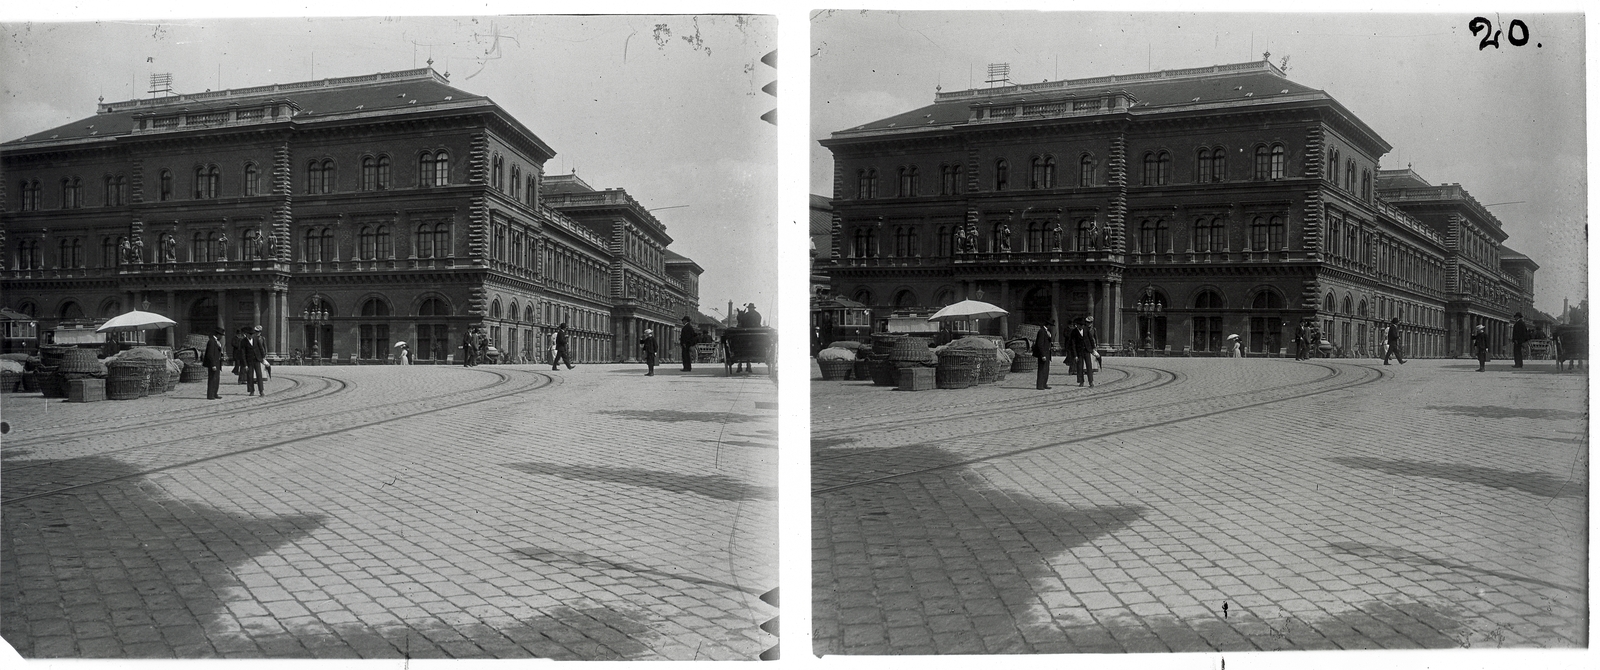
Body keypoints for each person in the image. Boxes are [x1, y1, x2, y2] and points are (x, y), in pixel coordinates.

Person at [1066, 317, 1097, 387]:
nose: (1082, 326)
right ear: (1078, 325)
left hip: (1087, 350)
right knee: (1079, 367)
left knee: (1089, 366)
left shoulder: (1086, 329)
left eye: (1083, 325)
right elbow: (1073, 344)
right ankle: (1081, 381)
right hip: (1079, 352)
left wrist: (1093, 348)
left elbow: (1090, 339)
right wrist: (1075, 355)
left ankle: (1091, 381)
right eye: (1081, 325)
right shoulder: (1074, 332)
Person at [242, 325, 267, 396]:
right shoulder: (243, 341)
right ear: (247, 334)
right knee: (250, 376)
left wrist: (263, 357)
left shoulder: (256, 339)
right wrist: (245, 364)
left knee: (259, 375)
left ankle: (261, 391)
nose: (251, 336)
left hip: (257, 359)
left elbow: (261, 348)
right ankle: (251, 390)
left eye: (252, 334)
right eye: (250, 334)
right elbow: (243, 353)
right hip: (249, 361)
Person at [1032, 319, 1054, 390]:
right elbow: (1040, 344)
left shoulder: (1047, 332)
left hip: (1047, 353)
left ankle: (1044, 383)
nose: (1051, 327)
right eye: (1051, 325)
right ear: (1048, 325)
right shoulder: (1041, 331)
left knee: (1046, 369)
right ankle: (1040, 385)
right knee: (1041, 369)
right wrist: (1043, 354)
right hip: (1043, 353)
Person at [204, 327, 225, 400]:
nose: (222, 337)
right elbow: (209, 354)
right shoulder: (211, 341)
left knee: (217, 379)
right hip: (213, 364)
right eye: (221, 335)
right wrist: (213, 364)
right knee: (212, 379)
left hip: (217, 363)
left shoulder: (216, 341)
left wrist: (221, 357)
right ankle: (210, 395)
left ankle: (215, 393)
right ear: (218, 335)